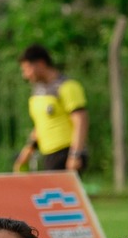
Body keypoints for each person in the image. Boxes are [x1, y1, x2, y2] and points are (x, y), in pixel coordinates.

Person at [13, 44, 88, 174]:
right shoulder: (38, 92)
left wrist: (75, 154)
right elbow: (41, 125)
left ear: (41, 64)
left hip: (65, 151)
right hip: (49, 153)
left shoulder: (67, 87)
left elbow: (80, 120)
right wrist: (28, 150)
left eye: (27, 69)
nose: (25, 75)